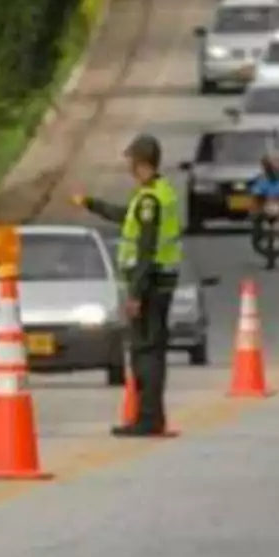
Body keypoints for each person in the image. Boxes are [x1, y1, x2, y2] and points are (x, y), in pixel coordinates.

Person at [71, 133, 183, 437]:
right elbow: (125, 217)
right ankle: (152, 416)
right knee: (152, 350)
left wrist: (135, 293)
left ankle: (148, 419)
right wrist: (92, 204)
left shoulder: (149, 200)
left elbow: (145, 249)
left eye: (132, 161)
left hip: (150, 283)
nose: (129, 167)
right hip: (161, 280)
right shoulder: (159, 192)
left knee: (144, 352)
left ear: (142, 162)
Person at [250, 151, 279, 235]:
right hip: (265, 205)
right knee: (256, 214)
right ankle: (257, 232)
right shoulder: (261, 179)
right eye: (271, 166)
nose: (274, 169)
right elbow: (256, 194)